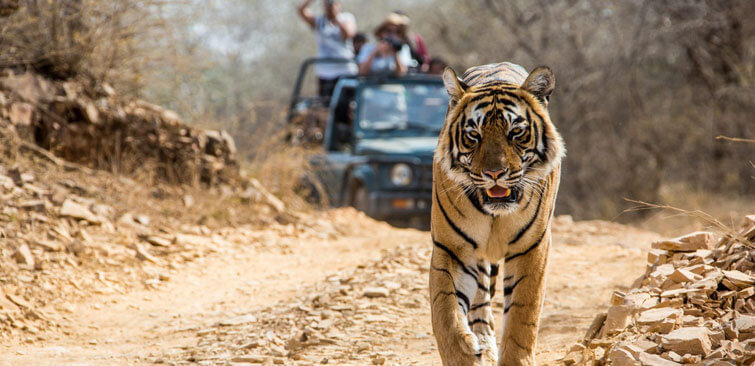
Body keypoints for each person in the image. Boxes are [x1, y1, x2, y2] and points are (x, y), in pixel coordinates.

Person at [297, 0, 357, 98]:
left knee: (345, 103)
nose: (330, 6)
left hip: (345, 69)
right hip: (324, 71)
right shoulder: (319, 20)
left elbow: (349, 34)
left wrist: (336, 18)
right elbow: (301, 11)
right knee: (324, 102)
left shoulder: (346, 17)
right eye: (327, 3)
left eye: (332, 3)